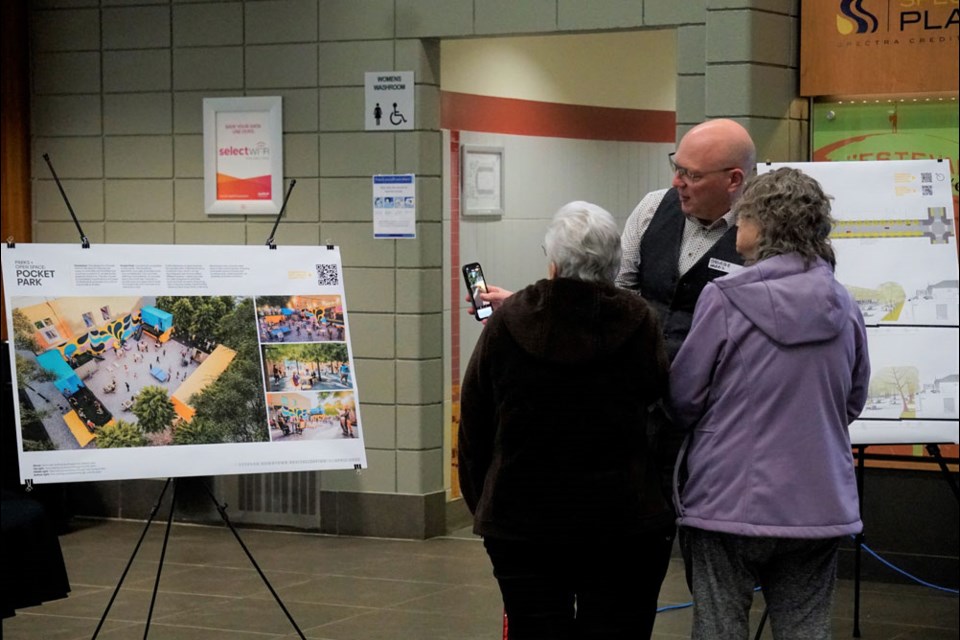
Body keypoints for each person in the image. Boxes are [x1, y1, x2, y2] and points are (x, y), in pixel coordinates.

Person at [669, 167, 871, 639]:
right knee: (806, 630)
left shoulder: (722, 299)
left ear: (763, 226)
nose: (736, 227)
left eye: (743, 218)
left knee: (719, 630)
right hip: (819, 504)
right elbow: (854, 399)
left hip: (726, 499)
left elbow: (684, 397)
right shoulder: (844, 305)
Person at [458, 201, 673, 639]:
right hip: (622, 520)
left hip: (522, 520)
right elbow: (661, 402)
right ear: (615, 263)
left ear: (553, 262)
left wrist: (484, 503)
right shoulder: (641, 322)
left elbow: (475, 421)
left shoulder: (507, 322)